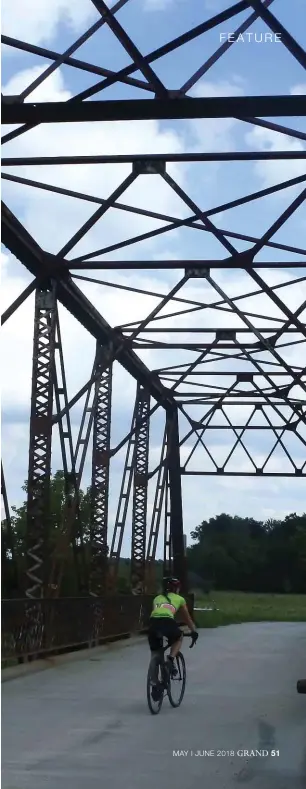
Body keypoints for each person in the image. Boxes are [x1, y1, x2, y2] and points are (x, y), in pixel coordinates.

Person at [148, 576, 198, 678]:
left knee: (155, 653)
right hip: (167, 621)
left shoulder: (157, 598)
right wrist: (193, 631)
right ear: (177, 589)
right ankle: (170, 659)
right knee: (179, 637)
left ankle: (154, 684)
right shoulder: (180, 599)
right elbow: (187, 618)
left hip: (153, 623)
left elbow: (156, 613)